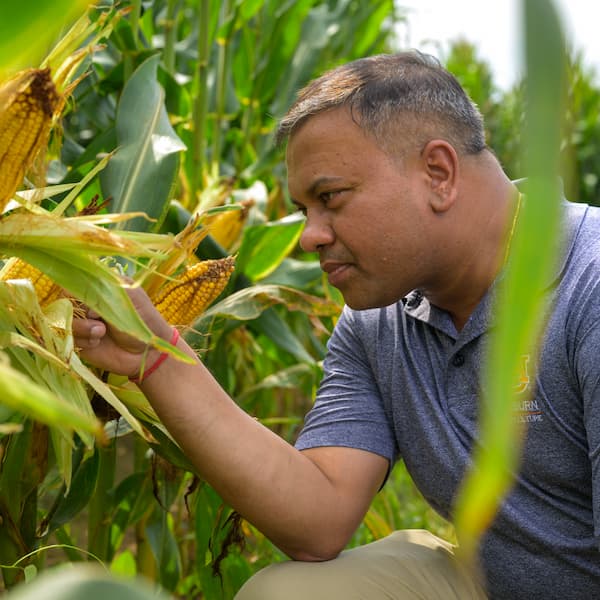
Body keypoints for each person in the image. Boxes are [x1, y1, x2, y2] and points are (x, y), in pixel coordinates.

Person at [73, 51, 600, 599]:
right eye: (305, 210)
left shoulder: (589, 285)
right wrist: (155, 356)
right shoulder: (379, 321)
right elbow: (317, 517)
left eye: (330, 198)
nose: (309, 237)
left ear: (438, 174)